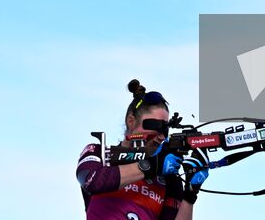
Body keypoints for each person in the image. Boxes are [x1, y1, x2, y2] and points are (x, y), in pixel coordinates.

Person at [76, 80, 208, 219]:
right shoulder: (99, 152)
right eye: (155, 126)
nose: (161, 136)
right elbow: (91, 180)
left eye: (165, 129)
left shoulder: (168, 178)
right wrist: (151, 166)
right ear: (131, 121)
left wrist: (190, 195)